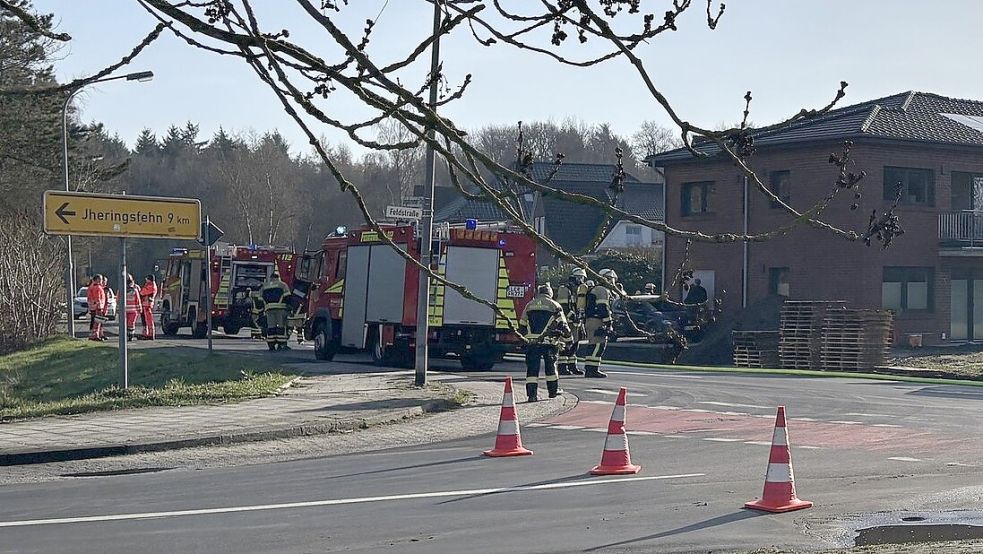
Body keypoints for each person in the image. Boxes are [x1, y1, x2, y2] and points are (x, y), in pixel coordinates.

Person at [518, 283, 570, 402]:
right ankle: (552, 392)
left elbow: (522, 325)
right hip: (549, 343)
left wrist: (524, 340)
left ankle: (532, 395)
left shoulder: (529, 305)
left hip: (532, 343)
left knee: (532, 369)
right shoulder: (554, 305)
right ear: (550, 293)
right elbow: (563, 325)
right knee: (551, 368)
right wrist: (569, 340)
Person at [583, 268, 618, 378]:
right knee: (597, 345)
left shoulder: (596, 289)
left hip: (591, 320)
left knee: (594, 345)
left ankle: (591, 368)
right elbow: (603, 307)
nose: (612, 282)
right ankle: (592, 370)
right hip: (596, 321)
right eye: (611, 279)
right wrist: (608, 323)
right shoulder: (602, 290)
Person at [554, 267, 587, 376]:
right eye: (580, 278)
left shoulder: (576, 290)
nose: (582, 280)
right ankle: (562, 367)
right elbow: (563, 307)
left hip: (575, 323)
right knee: (565, 345)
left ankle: (572, 366)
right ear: (575, 277)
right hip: (566, 322)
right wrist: (572, 317)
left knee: (574, 345)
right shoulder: (564, 289)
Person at [260, 272, 291, 351]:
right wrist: (290, 307)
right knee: (281, 326)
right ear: (278, 277)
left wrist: (263, 307)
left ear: (271, 278)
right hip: (280, 308)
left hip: (269, 309)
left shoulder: (265, 286)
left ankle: (271, 344)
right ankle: (281, 345)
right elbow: (287, 297)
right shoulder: (282, 285)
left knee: (271, 326)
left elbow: (260, 298)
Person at [86, 275, 108, 341]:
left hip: (93, 307)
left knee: (94, 322)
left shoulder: (91, 286)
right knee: (97, 322)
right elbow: (97, 298)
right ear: (98, 279)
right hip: (97, 307)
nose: (102, 281)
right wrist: (99, 307)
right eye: (101, 279)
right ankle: (95, 336)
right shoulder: (97, 287)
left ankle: (93, 335)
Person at [139, 274, 158, 340]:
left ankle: (150, 334)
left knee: (148, 320)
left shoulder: (150, 286)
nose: (146, 280)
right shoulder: (150, 285)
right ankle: (145, 333)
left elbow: (142, 292)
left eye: (147, 279)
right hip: (145, 304)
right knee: (144, 319)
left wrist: (141, 290)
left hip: (147, 304)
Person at [124, 274, 142, 341]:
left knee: (125, 323)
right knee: (131, 323)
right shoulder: (135, 290)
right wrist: (139, 309)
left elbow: (118, 300)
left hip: (124, 310)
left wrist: (118, 309)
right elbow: (138, 300)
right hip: (133, 310)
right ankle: (130, 335)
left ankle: (126, 335)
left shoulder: (122, 290)